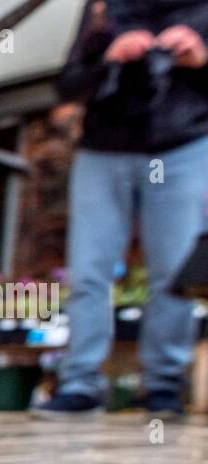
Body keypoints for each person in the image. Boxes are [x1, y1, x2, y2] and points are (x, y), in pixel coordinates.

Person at [34, 0, 208, 420]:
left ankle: (163, 386)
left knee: (172, 272)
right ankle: (80, 384)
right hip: (103, 149)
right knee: (88, 269)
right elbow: (67, 85)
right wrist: (110, 59)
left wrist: (201, 59)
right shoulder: (102, 7)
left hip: (181, 147)